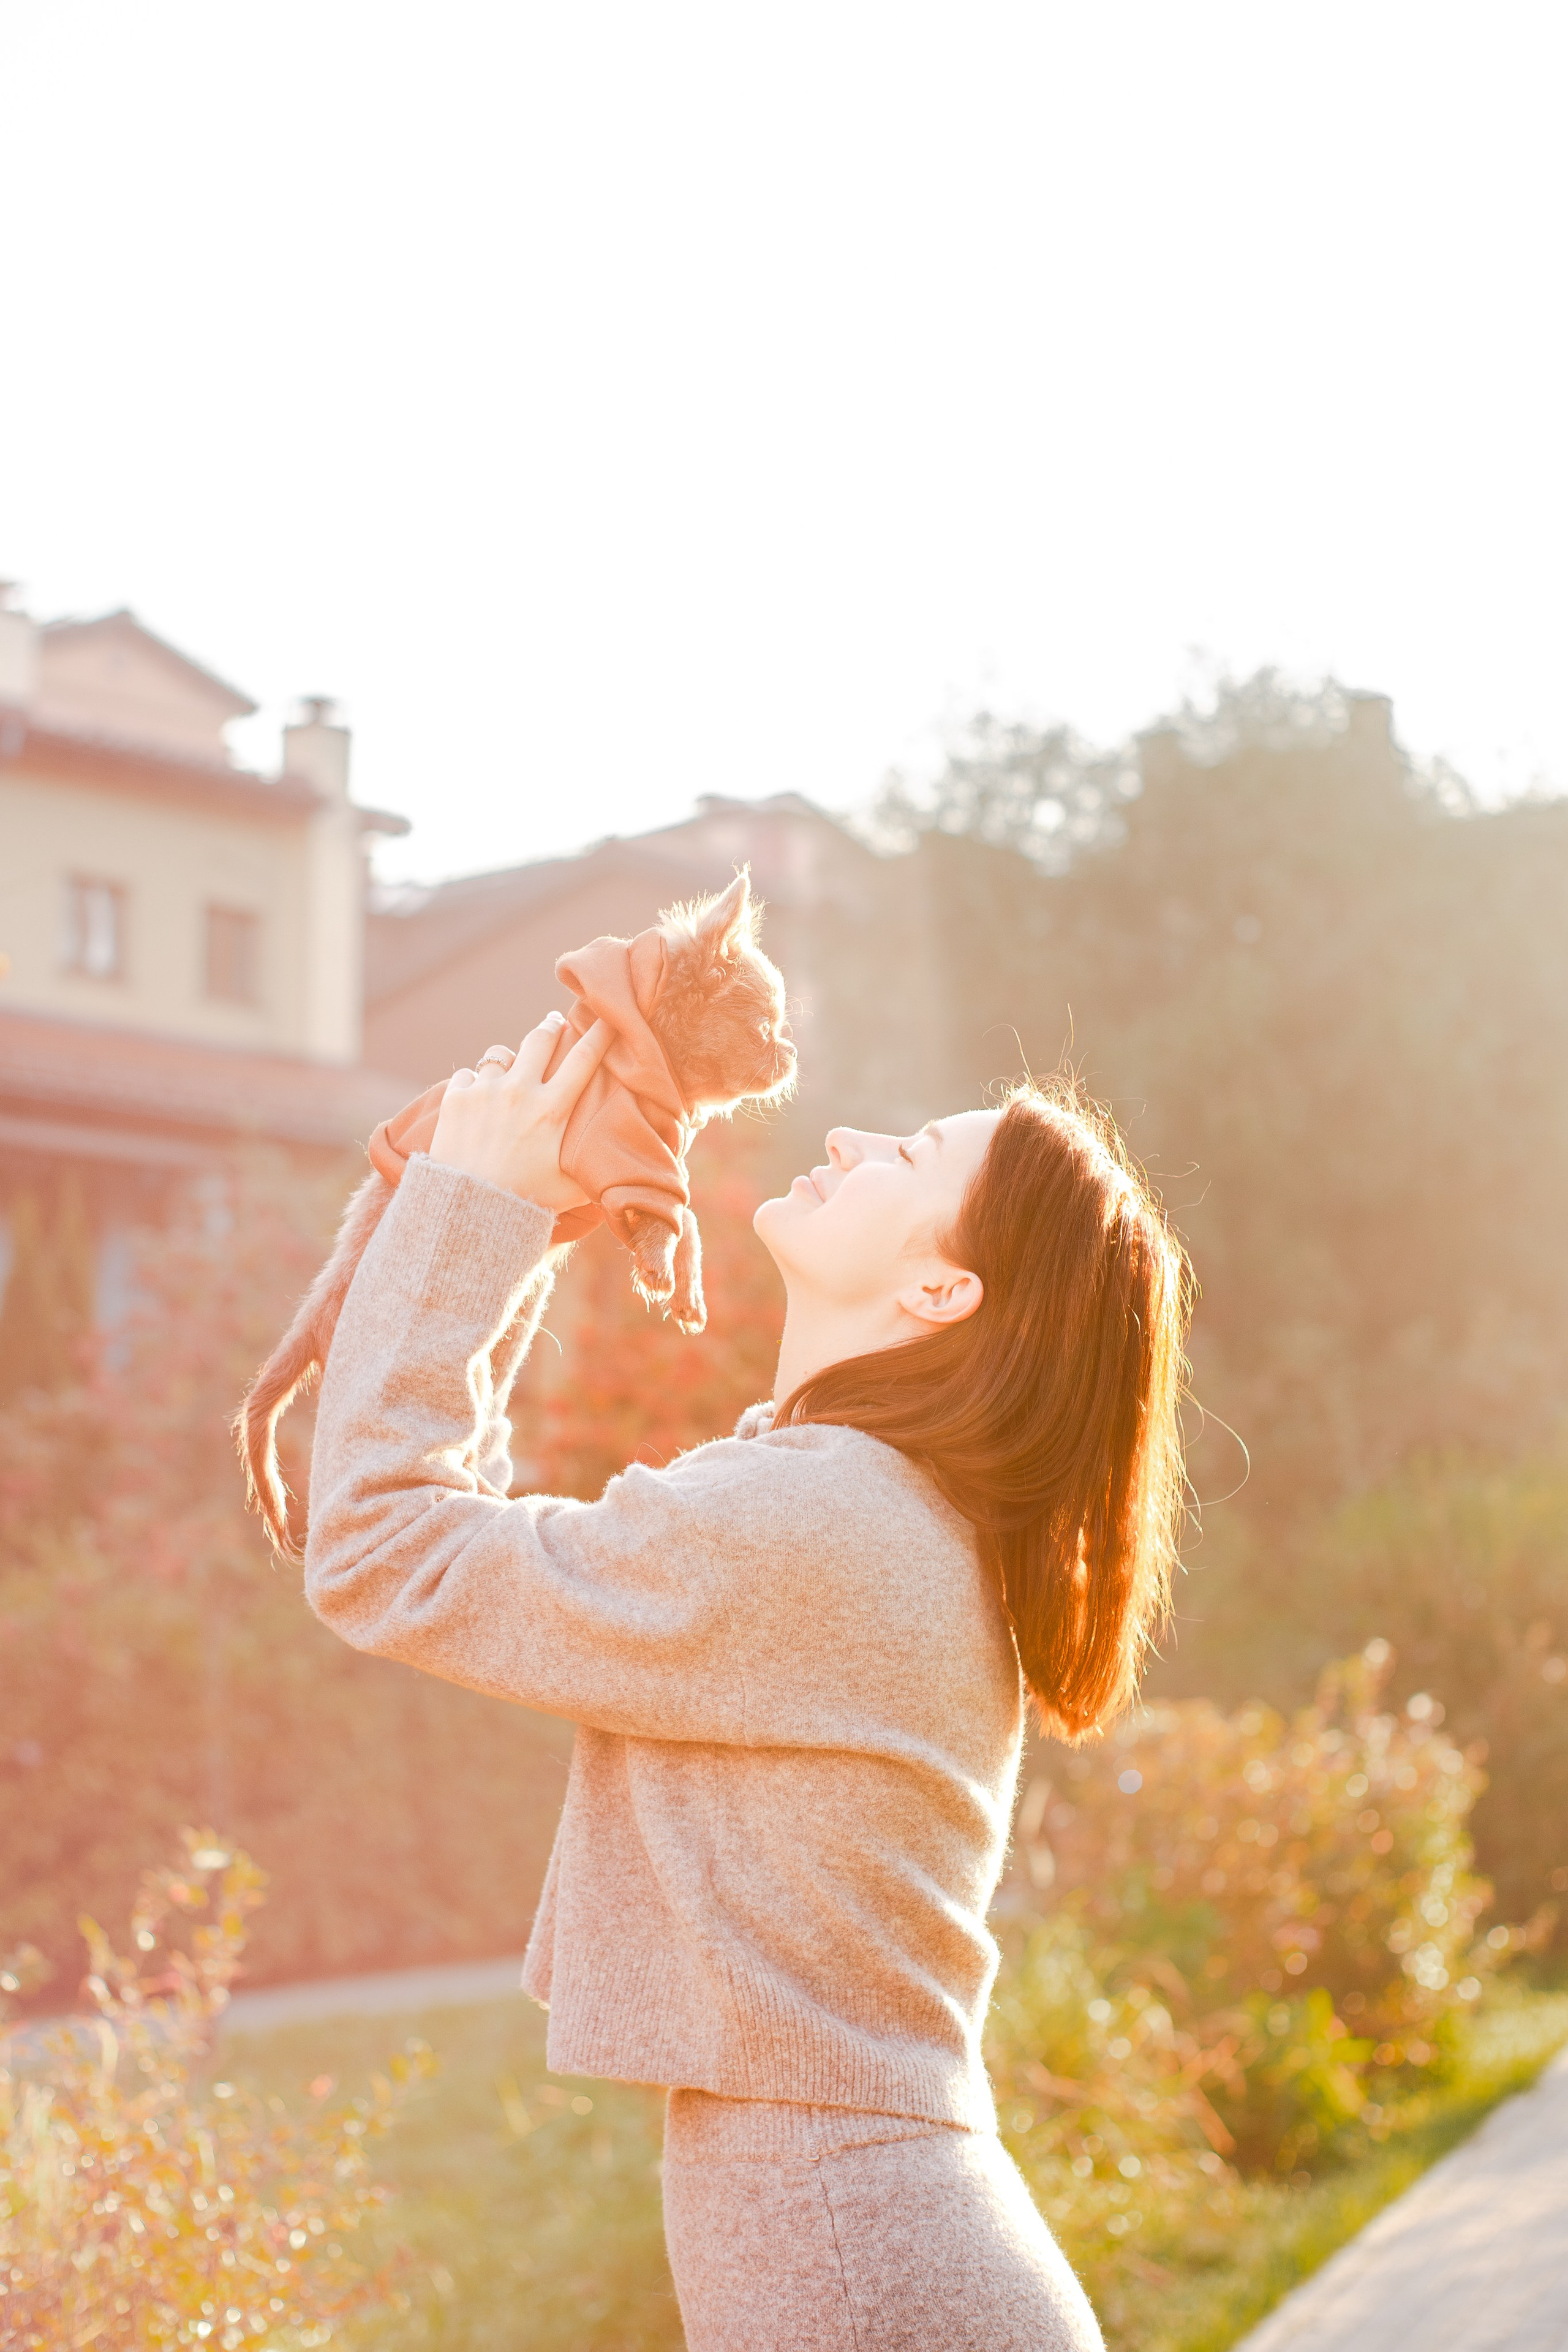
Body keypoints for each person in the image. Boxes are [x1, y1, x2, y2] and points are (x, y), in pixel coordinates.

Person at [304, 1008, 1191, 2351]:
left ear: (941, 1291)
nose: (849, 1134)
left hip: (849, 2242)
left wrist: (472, 1205)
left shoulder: (822, 1523)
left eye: (908, 1154)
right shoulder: (859, 1509)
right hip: (869, 2218)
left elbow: (383, 1545)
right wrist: (514, 1217)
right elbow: (455, 1526)